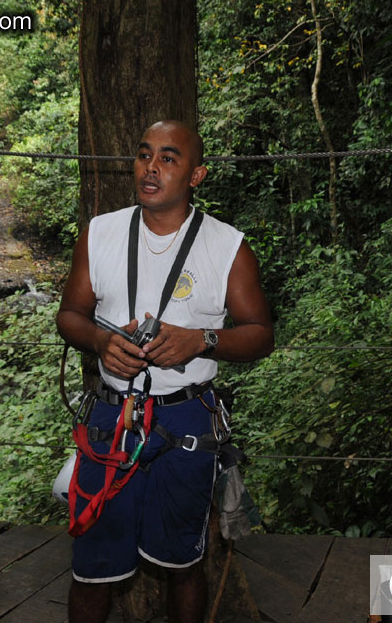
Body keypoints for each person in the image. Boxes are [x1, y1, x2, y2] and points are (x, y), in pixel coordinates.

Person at [56, 120, 274, 623]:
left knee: (182, 563)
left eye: (168, 158)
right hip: (113, 419)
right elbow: (69, 314)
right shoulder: (101, 233)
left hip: (187, 421)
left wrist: (202, 340)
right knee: (91, 566)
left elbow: (261, 331)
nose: (150, 167)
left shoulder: (227, 246)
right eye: (143, 154)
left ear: (196, 175)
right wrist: (101, 340)